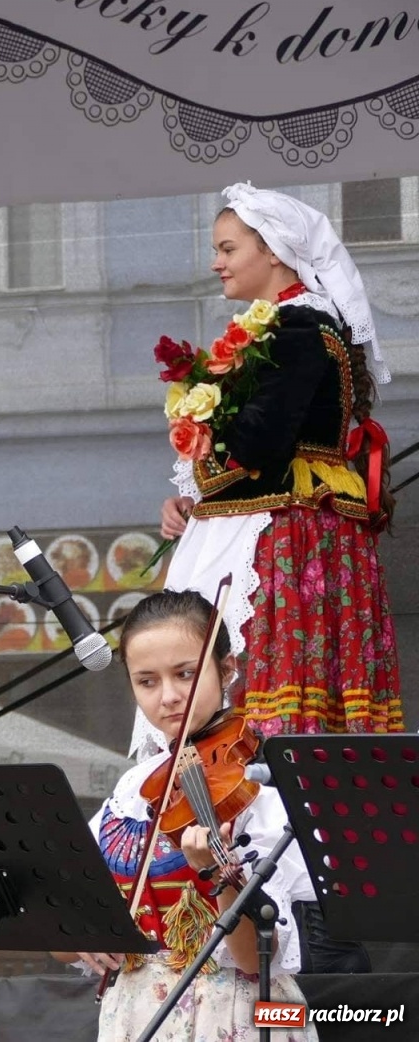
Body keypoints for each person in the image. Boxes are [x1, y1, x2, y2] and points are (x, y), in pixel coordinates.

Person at [152, 182, 400, 757]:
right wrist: (196, 499)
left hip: (289, 537)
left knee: (263, 693)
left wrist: (208, 424)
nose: (216, 262)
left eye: (228, 248)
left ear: (275, 251)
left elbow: (261, 445)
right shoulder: (286, 328)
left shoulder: (297, 329)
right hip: (281, 524)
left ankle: (272, 824)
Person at [58, 589, 318, 1042]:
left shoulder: (260, 785)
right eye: (147, 681)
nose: (170, 697)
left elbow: (259, 956)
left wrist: (217, 874)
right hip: (135, 1014)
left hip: (239, 1015)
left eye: (186, 674)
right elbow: (66, 936)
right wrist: (75, 932)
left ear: (228, 669)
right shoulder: (132, 789)